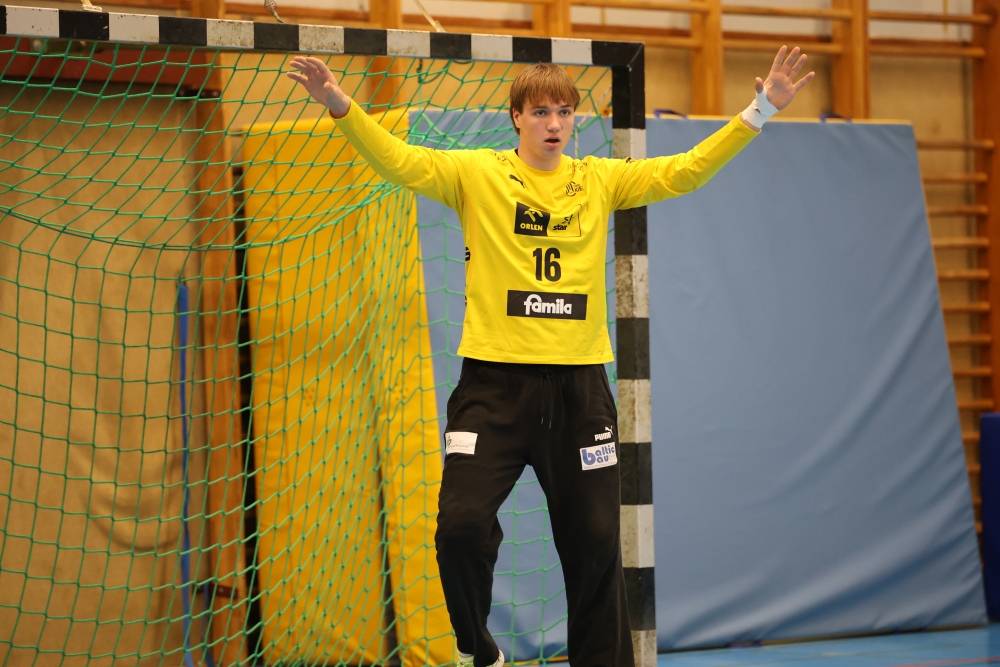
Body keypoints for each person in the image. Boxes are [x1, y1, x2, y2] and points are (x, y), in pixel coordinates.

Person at [288, 46, 813, 667]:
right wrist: (338, 103)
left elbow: (686, 170)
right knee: (459, 527)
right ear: (516, 117)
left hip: (578, 392)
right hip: (493, 390)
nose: (555, 123)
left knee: (596, 541)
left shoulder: (598, 179)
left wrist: (760, 109)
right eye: (541, 112)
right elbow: (399, 160)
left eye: (564, 111)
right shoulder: (476, 174)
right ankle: (478, 649)